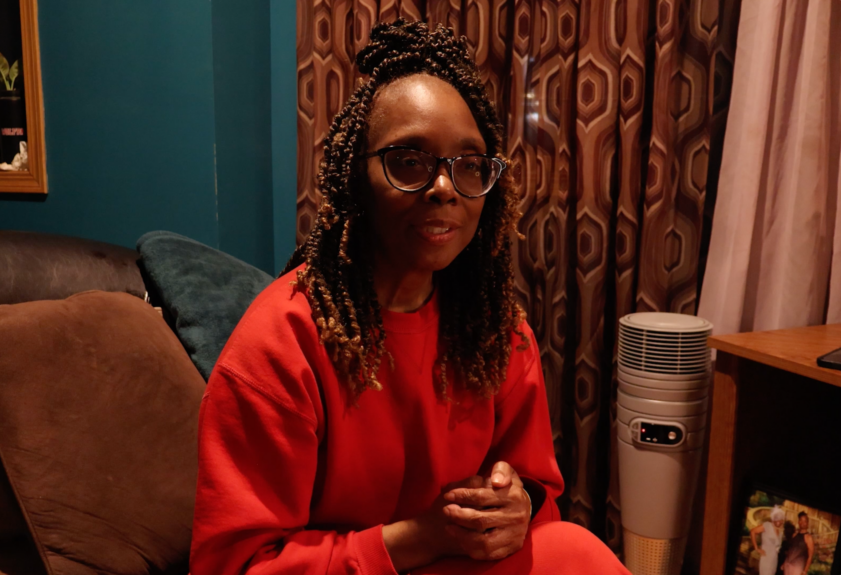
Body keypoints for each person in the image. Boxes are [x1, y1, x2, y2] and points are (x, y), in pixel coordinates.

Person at [190, 19, 630, 575]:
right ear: (356, 176)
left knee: (576, 550)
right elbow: (235, 565)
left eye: (469, 166)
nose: (445, 188)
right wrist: (418, 539)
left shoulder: (497, 329)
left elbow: (537, 491)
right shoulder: (280, 344)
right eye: (409, 162)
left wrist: (518, 506)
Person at [752, 506, 786, 575]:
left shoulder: (780, 532)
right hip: (766, 559)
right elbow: (753, 531)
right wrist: (756, 548)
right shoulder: (767, 525)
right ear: (773, 519)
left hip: (774, 561)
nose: (778, 521)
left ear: (782, 521)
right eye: (777, 518)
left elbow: (777, 548)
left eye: (780, 519)